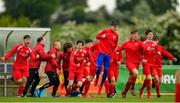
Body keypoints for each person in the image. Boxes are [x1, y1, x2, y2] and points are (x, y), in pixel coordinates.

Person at [117, 30, 142, 98]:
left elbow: (145, 50)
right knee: (136, 73)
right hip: (129, 62)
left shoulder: (140, 43)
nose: (136, 35)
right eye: (134, 34)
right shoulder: (126, 43)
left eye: (137, 34)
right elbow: (118, 49)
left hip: (137, 63)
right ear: (131, 35)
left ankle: (124, 92)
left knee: (130, 79)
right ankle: (132, 88)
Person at [95, 20, 119, 87]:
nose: (115, 28)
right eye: (114, 27)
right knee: (99, 68)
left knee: (106, 71)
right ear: (111, 26)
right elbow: (97, 36)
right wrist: (102, 36)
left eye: (116, 27)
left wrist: (114, 50)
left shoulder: (116, 35)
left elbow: (115, 45)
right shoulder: (105, 31)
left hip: (109, 55)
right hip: (102, 53)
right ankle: (97, 78)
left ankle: (101, 83)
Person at [140, 30, 161, 98]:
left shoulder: (155, 43)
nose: (152, 35)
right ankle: (149, 94)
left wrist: (158, 52)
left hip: (153, 64)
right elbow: (139, 54)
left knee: (157, 79)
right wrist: (142, 59)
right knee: (149, 78)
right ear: (146, 35)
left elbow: (158, 51)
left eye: (152, 34)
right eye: (150, 34)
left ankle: (158, 94)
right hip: (146, 63)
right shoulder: (143, 43)